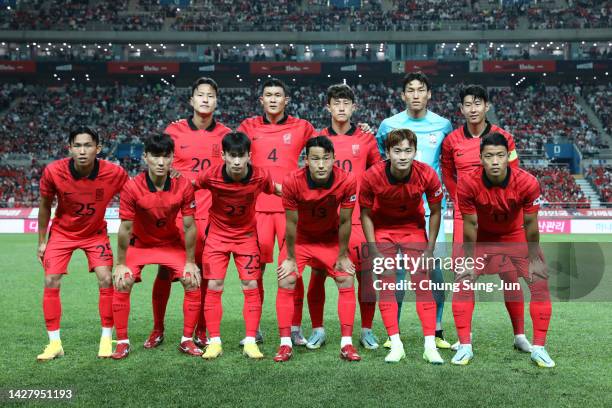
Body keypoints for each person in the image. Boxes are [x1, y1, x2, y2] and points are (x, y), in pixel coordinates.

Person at [453, 132, 554, 368]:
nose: (495, 161)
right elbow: (470, 224)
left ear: (508, 156)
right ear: (481, 158)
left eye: (500, 155)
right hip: (483, 239)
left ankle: (538, 347)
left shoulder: (527, 182)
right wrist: (468, 261)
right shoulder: (468, 183)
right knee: (462, 280)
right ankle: (465, 345)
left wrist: (533, 257)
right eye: (489, 156)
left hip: (515, 235)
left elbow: (530, 224)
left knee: (539, 280)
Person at [441, 84, 529, 352]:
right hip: (465, 217)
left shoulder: (505, 138)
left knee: (510, 276)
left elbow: (513, 174)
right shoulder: (451, 141)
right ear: (461, 109)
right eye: (468, 104)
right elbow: (446, 172)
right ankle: (464, 340)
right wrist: (462, 201)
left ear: (487, 106)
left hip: (500, 217)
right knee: (463, 277)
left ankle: (519, 335)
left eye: (478, 103)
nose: (473, 109)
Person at [148, 77, 231, 350]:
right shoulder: (173, 131)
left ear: (216, 102)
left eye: (211, 95)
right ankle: (158, 328)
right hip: (175, 213)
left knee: (205, 274)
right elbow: (157, 165)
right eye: (200, 95)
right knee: (165, 271)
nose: (206, 99)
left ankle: (202, 330)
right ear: (191, 100)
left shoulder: (226, 135)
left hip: (211, 215)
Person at [375, 72, 453, 349]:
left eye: (421, 89)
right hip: (396, 212)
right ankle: (391, 332)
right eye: (411, 90)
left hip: (432, 211)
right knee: (395, 273)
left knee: (434, 271)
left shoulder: (443, 125)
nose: (416, 94)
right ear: (403, 95)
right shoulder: (388, 125)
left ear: (429, 94)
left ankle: (438, 330)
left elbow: (448, 163)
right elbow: (378, 162)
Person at [36, 127, 128, 361]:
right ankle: (54, 343)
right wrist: (42, 241)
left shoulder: (114, 173)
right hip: (62, 233)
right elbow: (45, 205)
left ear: (98, 149)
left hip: (95, 233)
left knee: (106, 278)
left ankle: (106, 338)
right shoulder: (54, 172)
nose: (82, 150)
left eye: (88, 145)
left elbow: (134, 195)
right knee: (50, 280)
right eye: (77, 146)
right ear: (69, 148)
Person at [237, 78, 316, 345]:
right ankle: (255, 327)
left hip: (289, 210)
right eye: (268, 95)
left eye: (278, 95)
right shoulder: (248, 126)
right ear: (261, 100)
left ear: (286, 101)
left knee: (293, 269)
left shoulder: (303, 127)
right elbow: (229, 149)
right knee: (254, 270)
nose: (273, 99)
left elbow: (327, 147)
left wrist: (359, 127)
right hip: (255, 209)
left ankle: (294, 327)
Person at [111, 134, 201, 360]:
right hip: (140, 245)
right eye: (155, 156)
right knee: (123, 281)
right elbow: (125, 228)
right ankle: (122, 341)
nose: (161, 162)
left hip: (170, 243)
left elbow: (190, 227)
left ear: (173, 158)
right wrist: (120, 264)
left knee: (192, 279)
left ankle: (187, 340)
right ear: (145, 157)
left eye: (166, 156)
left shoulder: (183, 185)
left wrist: (190, 261)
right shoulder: (132, 187)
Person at [306, 84, 383, 350]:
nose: (341, 108)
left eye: (345, 103)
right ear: (328, 107)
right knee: (317, 274)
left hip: (359, 219)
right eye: (336, 103)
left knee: (365, 275)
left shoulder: (366, 138)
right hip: (324, 221)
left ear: (353, 108)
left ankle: (366, 330)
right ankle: (317, 329)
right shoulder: (317, 139)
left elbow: (377, 176)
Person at [360, 129, 445, 364]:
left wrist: (429, 248)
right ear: (387, 153)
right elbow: (365, 213)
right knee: (387, 286)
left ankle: (430, 346)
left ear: (415, 152)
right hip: (383, 231)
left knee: (422, 284)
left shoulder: (427, 174)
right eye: (397, 151)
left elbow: (436, 211)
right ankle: (396, 344)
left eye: (408, 150)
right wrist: (374, 248)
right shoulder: (371, 176)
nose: (403, 156)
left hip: (413, 230)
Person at [195, 132, 281, 360]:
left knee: (250, 283)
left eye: (241, 156)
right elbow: (189, 187)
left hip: (246, 237)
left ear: (249, 156)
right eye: (231, 156)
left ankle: (251, 341)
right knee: (214, 284)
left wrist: (303, 192)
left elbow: (278, 189)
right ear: (223, 155)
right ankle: (214, 342)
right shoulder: (211, 176)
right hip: (217, 237)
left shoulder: (260, 176)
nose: (236, 161)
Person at [274, 136, 360, 362]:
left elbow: (345, 221)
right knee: (287, 279)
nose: (320, 164)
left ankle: (347, 344)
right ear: (306, 160)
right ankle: (285, 344)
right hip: (300, 240)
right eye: (315, 159)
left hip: (329, 241)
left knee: (346, 278)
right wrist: (290, 257)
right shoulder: (292, 181)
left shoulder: (347, 180)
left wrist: (342, 255)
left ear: (333, 159)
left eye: (325, 158)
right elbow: (290, 223)